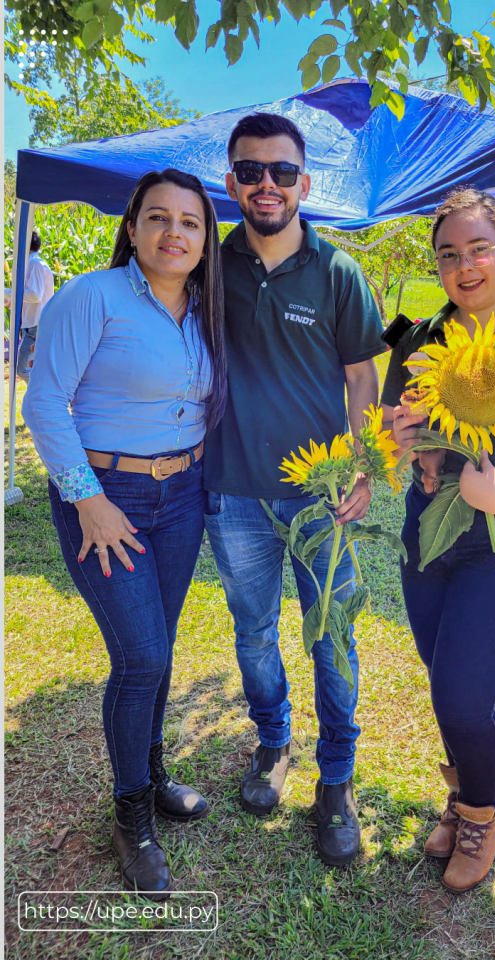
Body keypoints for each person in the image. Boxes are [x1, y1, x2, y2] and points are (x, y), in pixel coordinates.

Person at [22, 169, 228, 898]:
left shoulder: (208, 309)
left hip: (183, 494)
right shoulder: (92, 296)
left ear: (206, 239)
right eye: (159, 219)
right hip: (106, 498)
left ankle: (153, 772)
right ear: (133, 227)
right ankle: (131, 817)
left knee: (161, 648)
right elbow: (44, 402)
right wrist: (90, 501)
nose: (176, 234)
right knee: (141, 656)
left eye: (192, 223)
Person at [203, 113, 384, 866]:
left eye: (281, 172)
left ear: (305, 183)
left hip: (320, 497)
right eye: (251, 171)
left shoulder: (339, 272)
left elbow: (361, 377)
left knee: (332, 636)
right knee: (253, 633)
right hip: (232, 491)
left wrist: (365, 468)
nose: (266, 184)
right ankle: (272, 742)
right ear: (231, 182)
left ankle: (336, 777)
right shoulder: (210, 266)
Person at [382, 188, 495, 894]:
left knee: (463, 695)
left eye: (479, 248)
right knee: (446, 684)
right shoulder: (419, 338)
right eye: (448, 255)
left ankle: (483, 817)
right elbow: (387, 440)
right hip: (427, 538)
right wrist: (394, 442)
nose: (464, 266)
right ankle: (464, 800)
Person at [7, 230, 55, 382]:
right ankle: (40, 399)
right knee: (31, 368)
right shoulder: (32, 263)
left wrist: (7, 291)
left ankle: (42, 394)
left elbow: (34, 295)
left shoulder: (35, 263)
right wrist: (11, 300)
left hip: (36, 326)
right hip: (34, 325)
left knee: (22, 369)